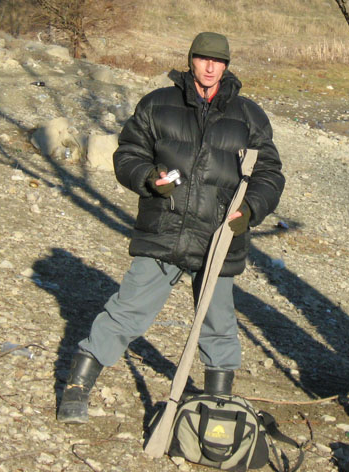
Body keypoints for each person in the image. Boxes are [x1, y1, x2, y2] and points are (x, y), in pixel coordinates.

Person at [57, 31, 285, 424]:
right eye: (203, 59)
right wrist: (149, 178)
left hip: (219, 238)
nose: (210, 67)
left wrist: (250, 210)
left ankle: (218, 404)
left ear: (226, 66)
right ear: (191, 60)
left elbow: (269, 174)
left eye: (218, 61)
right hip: (164, 230)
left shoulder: (249, 116)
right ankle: (78, 385)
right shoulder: (157, 104)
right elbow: (129, 154)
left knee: (219, 325)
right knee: (127, 310)